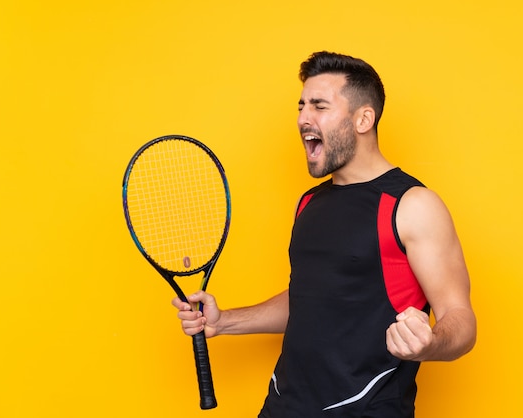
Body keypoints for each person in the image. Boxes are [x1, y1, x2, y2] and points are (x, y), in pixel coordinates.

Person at [173, 51, 477, 417]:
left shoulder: (412, 205)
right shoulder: (309, 204)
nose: (303, 118)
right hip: (283, 407)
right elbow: (313, 297)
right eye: (301, 106)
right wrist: (226, 322)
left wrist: (428, 344)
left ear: (363, 118)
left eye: (319, 106)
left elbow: (461, 321)